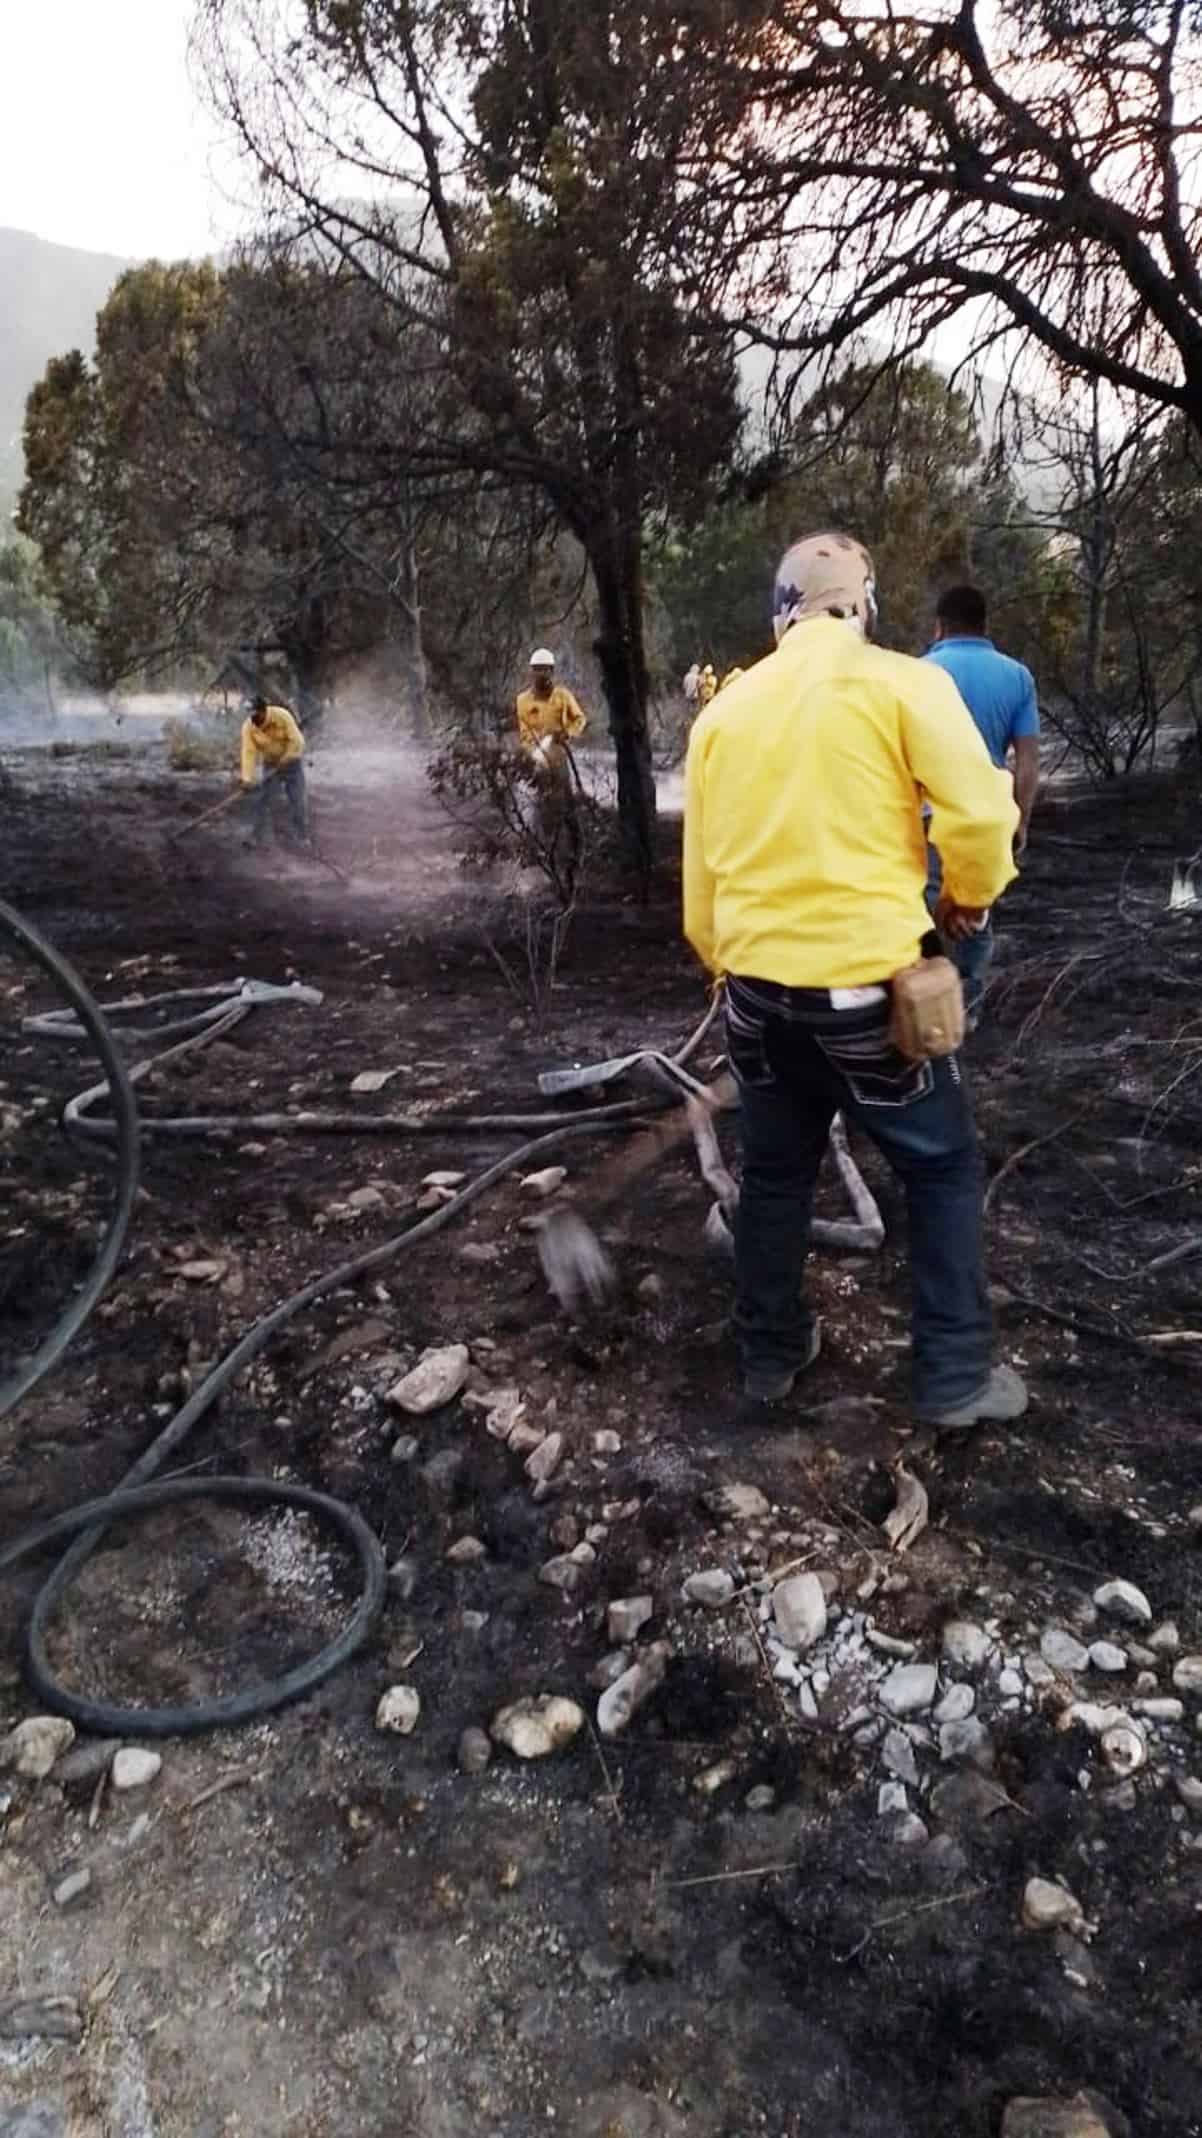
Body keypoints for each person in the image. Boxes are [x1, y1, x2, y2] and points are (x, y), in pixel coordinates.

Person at [683, 530, 1027, 1428]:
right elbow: (984, 816)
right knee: (944, 1166)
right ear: (862, 604)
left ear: (783, 612)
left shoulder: (723, 713)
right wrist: (969, 901)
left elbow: (701, 894)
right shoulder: (905, 684)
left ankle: (769, 1353)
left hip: (758, 999)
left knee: (777, 1171)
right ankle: (954, 1378)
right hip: (872, 995)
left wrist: (734, 970)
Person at [923, 585, 1041, 1021]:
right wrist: (1021, 819)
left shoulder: (919, 673)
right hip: (987, 819)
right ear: (984, 624)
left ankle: (927, 1009)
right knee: (975, 914)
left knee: (925, 911)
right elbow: (1028, 759)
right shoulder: (1017, 677)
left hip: (930, 817)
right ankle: (968, 1009)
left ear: (940, 625)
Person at [514, 649, 588, 879]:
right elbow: (524, 734)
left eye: (545, 669)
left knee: (566, 809)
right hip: (535, 761)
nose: (541, 674)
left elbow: (580, 719)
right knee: (534, 810)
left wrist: (567, 734)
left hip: (559, 761)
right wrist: (532, 756)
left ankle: (575, 856)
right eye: (537, 669)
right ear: (531, 671)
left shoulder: (562, 697)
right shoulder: (522, 701)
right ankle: (536, 857)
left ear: (552, 671)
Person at [240, 695, 308, 847]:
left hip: (292, 763)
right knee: (264, 800)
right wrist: (247, 779)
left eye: (256, 714)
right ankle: (256, 837)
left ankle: (302, 836)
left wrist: (286, 759)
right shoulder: (248, 727)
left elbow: (298, 742)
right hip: (270, 764)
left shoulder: (282, 716)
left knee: (297, 800)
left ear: (264, 710)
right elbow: (248, 753)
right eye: (250, 714)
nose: (253, 718)